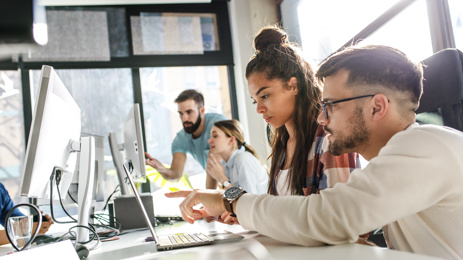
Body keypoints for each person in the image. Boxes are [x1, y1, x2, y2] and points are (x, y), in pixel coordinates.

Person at [166, 45, 463, 260]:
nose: (322, 119)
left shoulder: (425, 144)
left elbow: (329, 217)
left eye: (331, 105)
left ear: (377, 106)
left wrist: (229, 201)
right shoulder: (395, 160)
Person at [245, 26, 358, 196]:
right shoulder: (283, 144)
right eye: (255, 101)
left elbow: (340, 216)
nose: (259, 109)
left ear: (293, 85)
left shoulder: (330, 138)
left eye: (265, 96)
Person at [145, 89, 227, 188]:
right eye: (181, 113)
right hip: (224, 186)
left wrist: (209, 200)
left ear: (202, 110)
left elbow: (213, 166)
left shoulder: (217, 125)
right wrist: (161, 169)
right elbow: (176, 175)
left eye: (189, 112)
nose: (184, 118)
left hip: (240, 179)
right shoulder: (182, 139)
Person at [206, 119, 268, 194]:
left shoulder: (243, 159)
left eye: (215, 136)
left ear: (231, 140)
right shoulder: (227, 167)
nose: (209, 140)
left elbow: (248, 199)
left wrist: (222, 179)